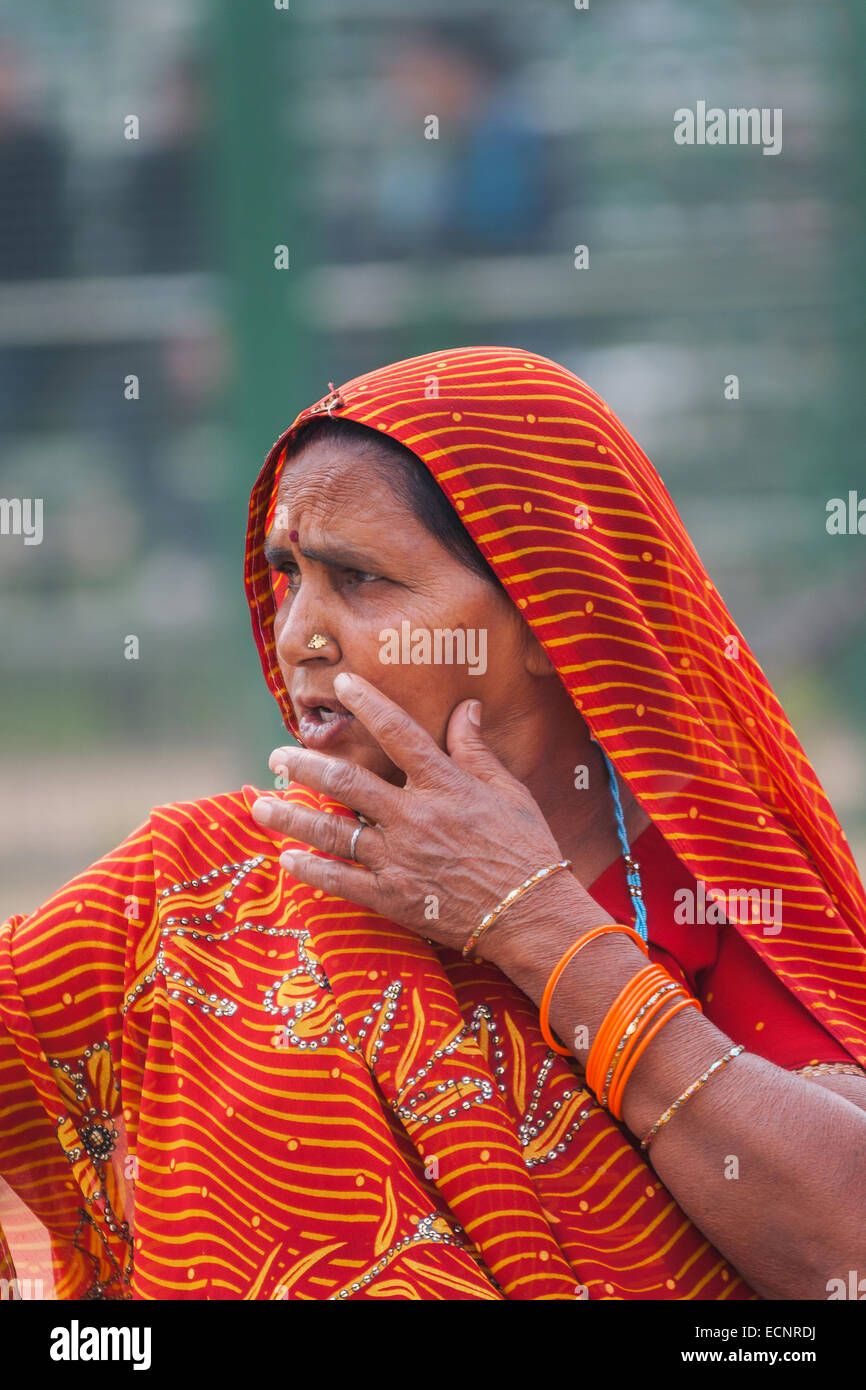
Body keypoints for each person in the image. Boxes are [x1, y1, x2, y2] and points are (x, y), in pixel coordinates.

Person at [2, 344, 865, 1302]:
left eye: (361, 580)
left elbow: (847, 1250)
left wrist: (539, 926)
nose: (297, 635)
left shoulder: (722, 905)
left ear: (550, 618)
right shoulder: (193, 888)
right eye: (288, 574)